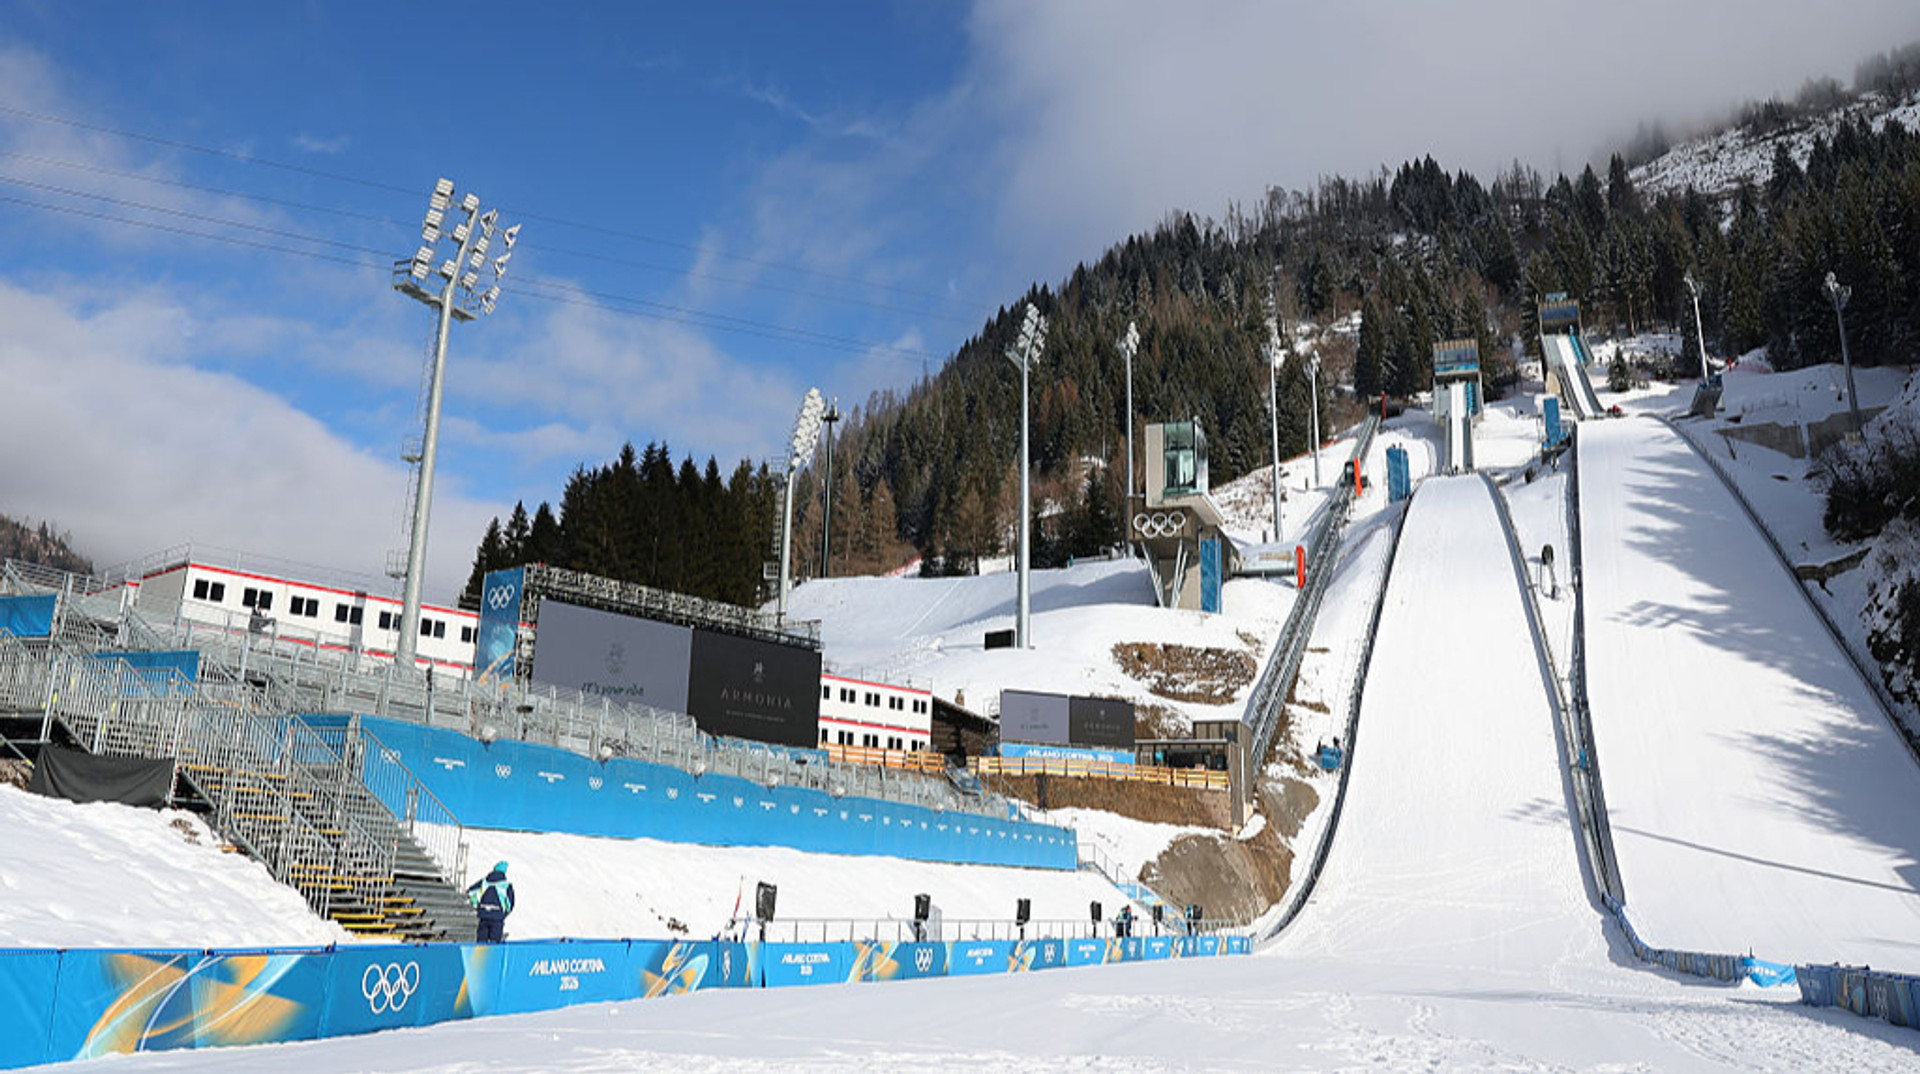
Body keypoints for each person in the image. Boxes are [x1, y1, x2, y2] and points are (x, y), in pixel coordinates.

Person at [467, 861, 515, 943]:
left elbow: (471, 892)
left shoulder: (484, 882)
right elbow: (510, 903)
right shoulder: (506, 885)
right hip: (497, 917)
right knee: (495, 944)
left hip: (483, 915)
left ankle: (480, 956)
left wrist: (476, 904)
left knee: (481, 943)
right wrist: (504, 912)